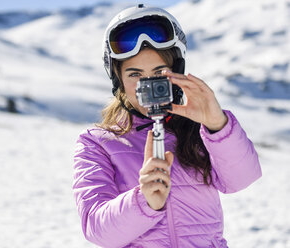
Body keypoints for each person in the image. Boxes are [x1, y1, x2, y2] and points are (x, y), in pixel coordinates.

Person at [72, 4, 262, 248]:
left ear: (177, 71)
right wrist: (143, 201)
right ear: (118, 79)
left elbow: (242, 178)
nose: (148, 83)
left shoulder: (199, 130)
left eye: (160, 71)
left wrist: (217, 125)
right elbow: (97, 230)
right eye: (134, 74)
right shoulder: (97, 143)